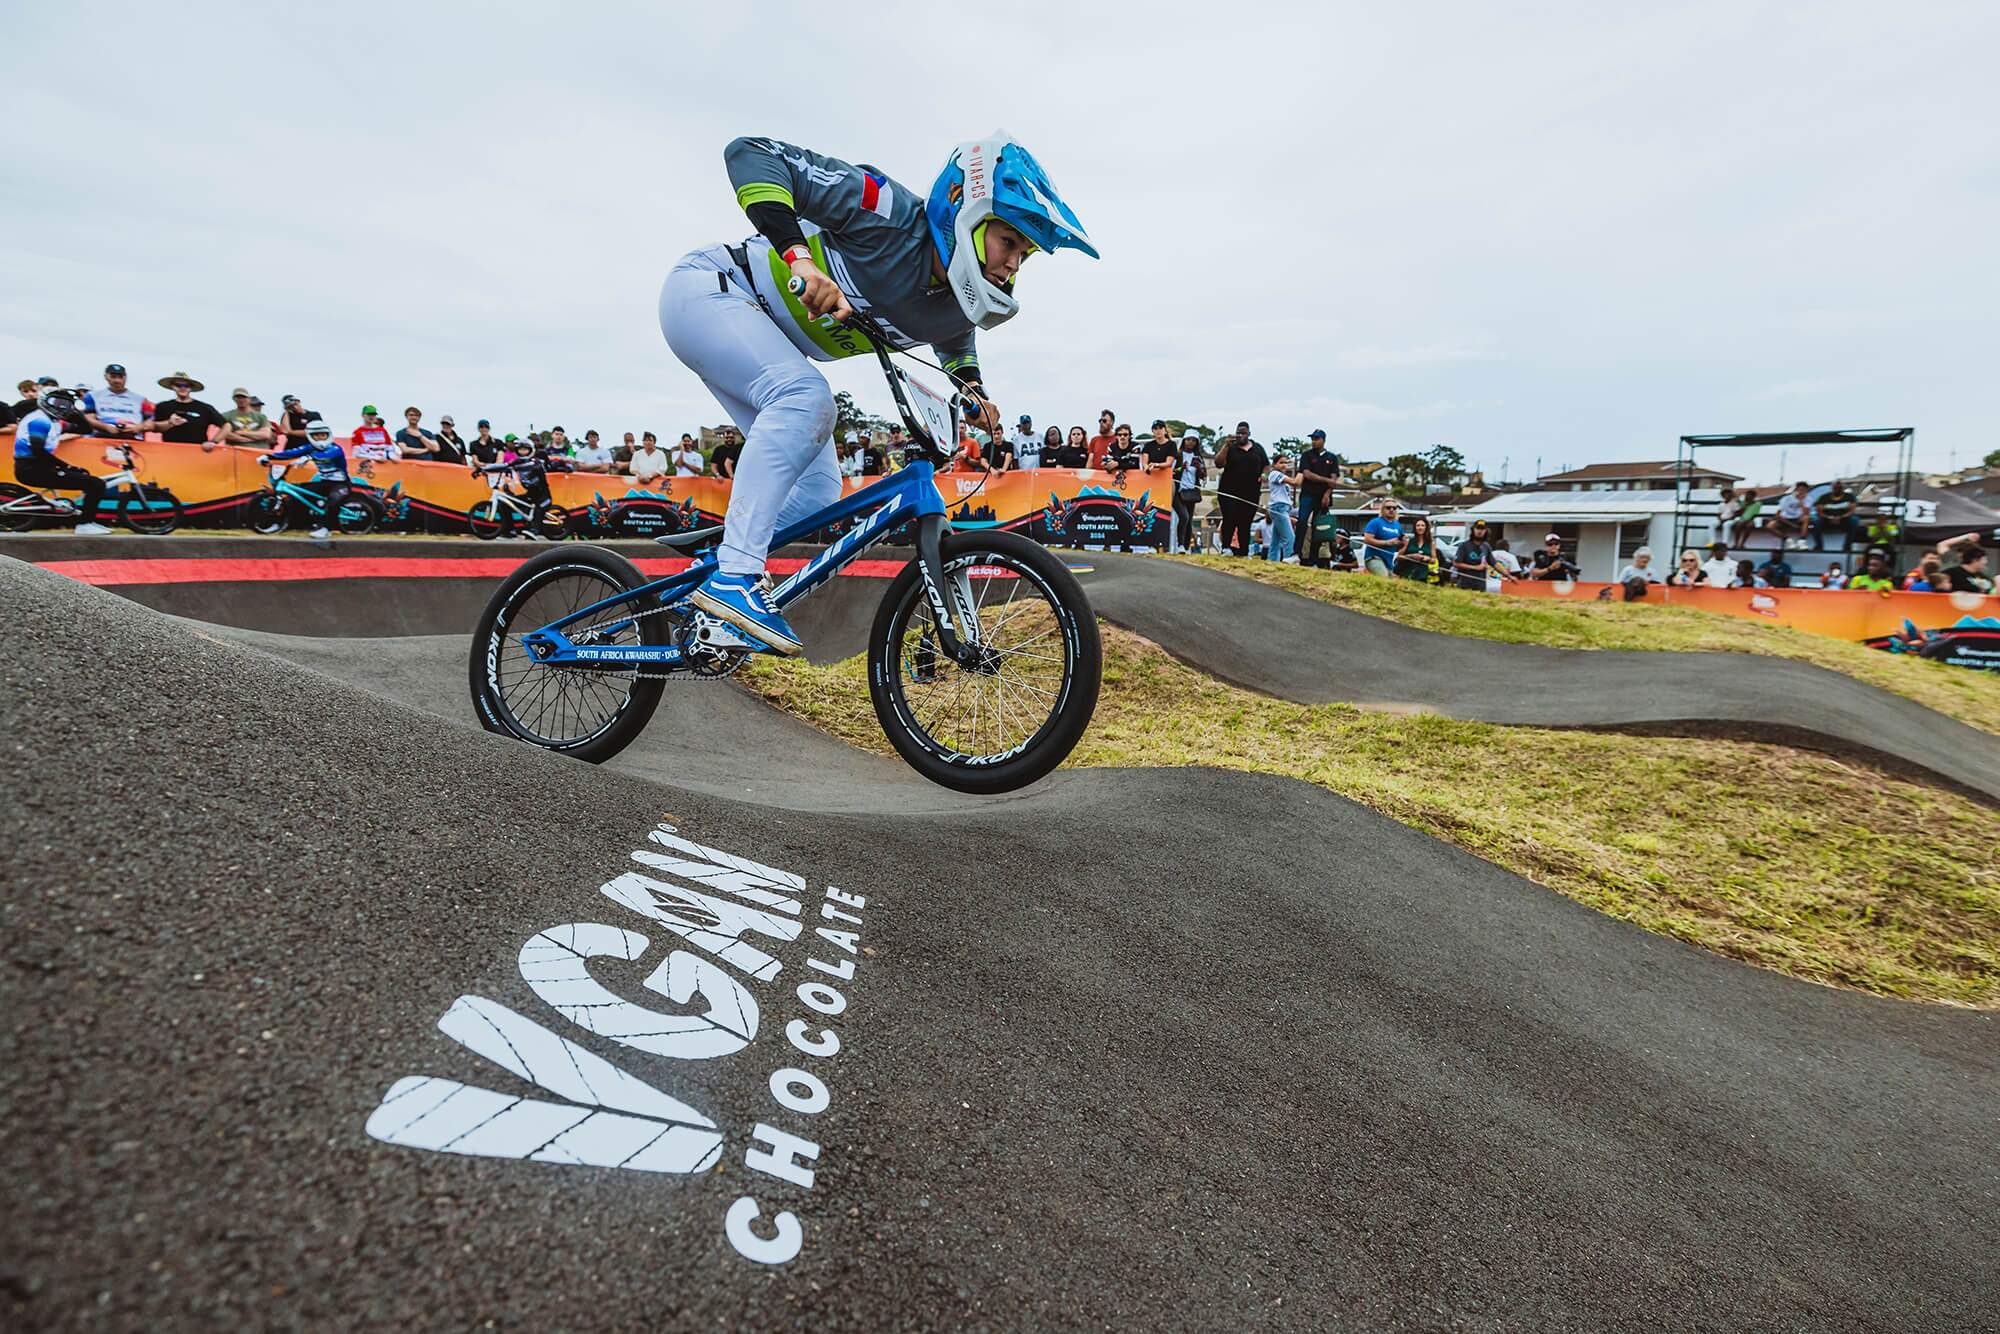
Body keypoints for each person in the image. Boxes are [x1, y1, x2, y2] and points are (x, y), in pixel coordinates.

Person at [657, 132, 1096, 655]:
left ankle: (706, 575)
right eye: (1009, 243)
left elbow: (955, 339)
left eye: (1025, 254)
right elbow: (748, 154)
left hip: (767, 339)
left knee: (820, 489)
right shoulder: (883, 209)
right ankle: (735, 577)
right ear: (967, 215)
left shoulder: (957, 301)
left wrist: (973, 390)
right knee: (806, 400)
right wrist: (800, 259)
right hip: (711, 291)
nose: (1014, 265)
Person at [13, 389, 113, 533]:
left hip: (39, 467)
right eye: (57, 402)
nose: (61, 407)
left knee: (91, 482)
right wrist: (67, 467)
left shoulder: (55, 422)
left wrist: (75, 412)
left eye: (66, 404)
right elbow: (38, 451)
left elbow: (85, 429)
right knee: (96, 484)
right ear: (44, 401)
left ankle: (87, 522)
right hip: (31, 469)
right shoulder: (39, 420)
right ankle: (84, 524)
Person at [258, 418, 352, 540]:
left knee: (332, 502)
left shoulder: (335, 448)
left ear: (328, 435)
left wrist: (307, 457)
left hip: (341, 484)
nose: (320, 438)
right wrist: (268, 456)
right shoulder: (310, 447)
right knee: (296, 496)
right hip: (324, 482)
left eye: (323, 435)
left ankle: (326, 529)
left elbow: (324, 456)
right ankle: (279, 524)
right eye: (316, 435)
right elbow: (291, 452)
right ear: (310, 436)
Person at [474, 435, 568, 538]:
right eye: (520, 450)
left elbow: (526, 466)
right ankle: (510, 530)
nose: (522, 452)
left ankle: (534, 530)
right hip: (530, 495)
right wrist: (483, 469)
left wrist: (513, 467)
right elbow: (503, 465)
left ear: (530, 450)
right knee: (505, 504)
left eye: (525, 450)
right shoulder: (516, 462)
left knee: (538, 510)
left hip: (543, 496)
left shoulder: (536, 462)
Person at [1213, 423, 1267, 557]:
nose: (1241, 436)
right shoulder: (1231, 448)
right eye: (1239, 433)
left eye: (1243, 433)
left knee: (1245, 521)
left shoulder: (1257, 448)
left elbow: (1266, 465)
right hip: (1229, 491)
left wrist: (1264, 475)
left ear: (1249, 434)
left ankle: (1243, 551)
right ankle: (1226, 547)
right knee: (1230, 518)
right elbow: (1218, 463)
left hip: (1250, 492)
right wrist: (1226, 445)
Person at [1293, 429, 1339, 561]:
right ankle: (1296, 553)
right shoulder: (1307, 455)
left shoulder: (1331, 458)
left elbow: (1334, 479)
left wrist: (1327, 493)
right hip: (1308, 494)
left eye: (1316, 439)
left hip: (1322, 497)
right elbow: (1307, 474)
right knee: (1302, 522)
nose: (1314, 441)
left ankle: (1313, 558)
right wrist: (1326, 480)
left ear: (1323, 440)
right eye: (1312, 439)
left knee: (1318, 526)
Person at [150, 372, 223, 446]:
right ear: (172, 386)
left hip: (198, 453)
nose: (183, 388)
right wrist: (169, 423)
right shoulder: (162, 406)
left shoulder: (205, 408)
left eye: (186, 385)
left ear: (191, 388)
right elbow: (155, 428)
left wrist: (214, 442)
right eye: (178, 385)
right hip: (170, 452)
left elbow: (226, 425)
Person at [81, 363, 152, 438]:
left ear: (125, 377)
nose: (117, 380)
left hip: (133, 437)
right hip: (102, 436)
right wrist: (105, 427)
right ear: (106, 377)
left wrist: (139, 427)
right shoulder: (93, 396)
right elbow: (89, 418)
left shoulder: (140, 399)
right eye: (113, 376)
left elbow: (151, 420)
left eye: (120, 377)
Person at [1172, 431, 1205, 555]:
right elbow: (1171, 472)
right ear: (1184, 440)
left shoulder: (1198, 457)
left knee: (1189, 519)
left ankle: (1185, 547)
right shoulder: (1178, 455)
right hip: (1178, 492)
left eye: (1193, 440)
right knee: (1184, 516)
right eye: (1188, 439)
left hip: (1191, 492)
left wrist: (1199, 468)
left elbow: (1203, 476)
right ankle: (1180, 544)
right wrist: (1181, 468)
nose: (1190, 442)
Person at [1264, 452, 1296, 563]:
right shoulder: (1274, 474)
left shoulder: (1282, 476)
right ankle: (1289, 560)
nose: (1284, 465)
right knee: (1289, 538)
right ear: (1274, 464)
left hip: (1283, 508)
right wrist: (1302, 472)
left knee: (1276, 540)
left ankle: (1272, 561)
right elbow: (1294, 482)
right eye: (1281, 462)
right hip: (1278, 507)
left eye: (1286, 463)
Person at [1360, 499, 1404, 575]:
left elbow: (1402, 540)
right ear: (1382, 509)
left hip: (1389, 560)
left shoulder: (1397, 525)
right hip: (1374, 558)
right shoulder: (1375, 522)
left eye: (1394, 508)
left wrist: (1402, 542)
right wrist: (1386, 543)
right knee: (1383, 577)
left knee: (1390, 584)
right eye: (1388, 507)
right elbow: (1367, 539)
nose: (1391, 510)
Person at [1813, 479, 1858, 551]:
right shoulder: (1824, 497)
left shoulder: (1849, 497)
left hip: (1843, 519)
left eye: (1839, 487)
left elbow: (1852, 511)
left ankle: (1847, 546)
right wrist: (1829, 517)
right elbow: (1819, 511)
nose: (1837, 488)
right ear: (1832, 487)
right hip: (1827, 519)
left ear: (1842, 487)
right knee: (1816, 522)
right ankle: (1819, 546)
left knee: (1854, 521)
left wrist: (1841, 517)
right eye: (1835, 487)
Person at [1451, 519, 1495, 589]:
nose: (1480, 531)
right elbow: (1456, 563)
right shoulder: (1464, 545)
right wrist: (1475, 567)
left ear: (1485, 531)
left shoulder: (1486, 546)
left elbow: (1495, 564)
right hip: (1465, 584)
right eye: (1477, 528)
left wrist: (1508, 575)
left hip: (1481, 585)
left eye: (1482, 529)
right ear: (1473, 530)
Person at [1768, 481, 1811, 549]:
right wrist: (1792, 525)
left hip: (1798, 519)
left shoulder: (1808, 499)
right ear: (1795, 490)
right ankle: (1788, 540)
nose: (1801, 492)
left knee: (1806, 518)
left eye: (1803, 490)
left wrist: (1801, 503)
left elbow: (1806, 513)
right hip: (1785, 519)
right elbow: (1778, 514)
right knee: (1770, 525)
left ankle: (1802, 541)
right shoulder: (1786, 499)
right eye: (1799, 489)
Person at [1396, 515, 1438, 582]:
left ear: (1426, 527)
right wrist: (1412, 556)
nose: (1420, 528)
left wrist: (1427, 559)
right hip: (1406, 574)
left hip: (1423, 576)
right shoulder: (1409, 541)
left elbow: (1434, 560)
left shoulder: (1431, 543)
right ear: (1415, 528)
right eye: (1418, 525)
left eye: (1422, 525)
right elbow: (1399, 557)